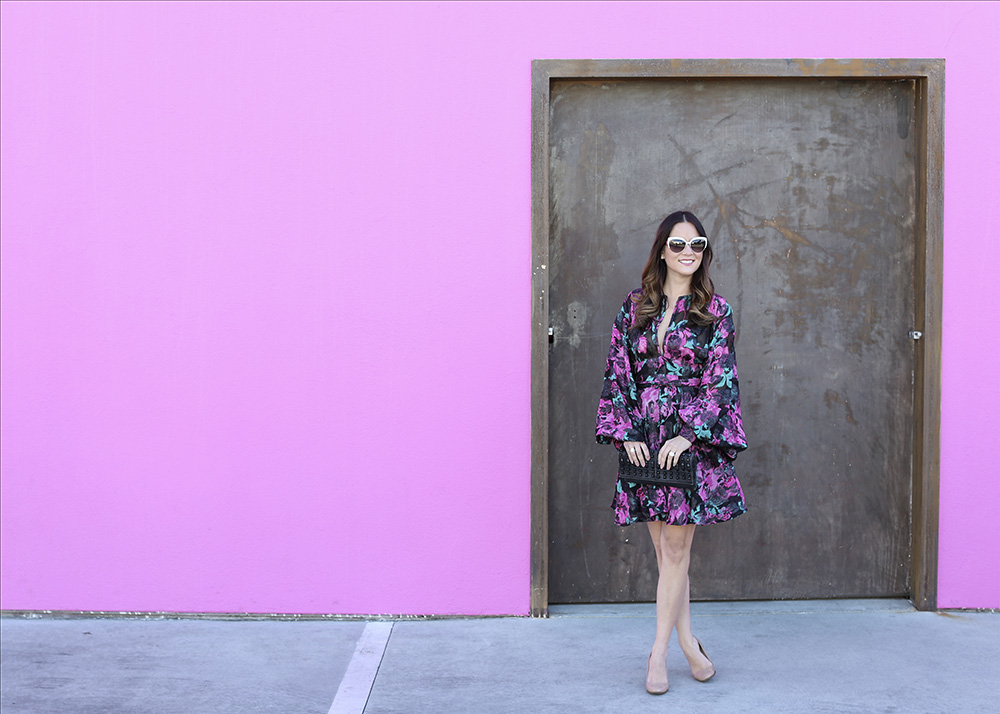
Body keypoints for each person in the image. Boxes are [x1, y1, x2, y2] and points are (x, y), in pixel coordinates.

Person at [595, 210, 748, 695]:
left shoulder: (715, 311)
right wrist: (626, 432)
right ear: (662, 250)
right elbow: (618, 372)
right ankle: (688, 642)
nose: (688, 253)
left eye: (697, 245)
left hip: (688, 443)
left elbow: (721, 379)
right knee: (664, 552)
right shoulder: (634, 307)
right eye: (678, 245)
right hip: (644, 440)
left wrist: (691, 433)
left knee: (678, 547)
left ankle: (657, 654)